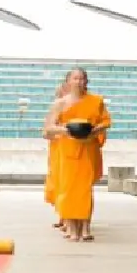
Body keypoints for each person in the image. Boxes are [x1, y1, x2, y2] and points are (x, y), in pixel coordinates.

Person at [45, 67, 111, 242]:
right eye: (75, 78)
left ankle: (85, 228)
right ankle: (72, 229)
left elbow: (105, 122)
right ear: (68, 81)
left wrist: (93, 131)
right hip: (67, 151)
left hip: (88, 150)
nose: (79, 82)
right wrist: (66, 130)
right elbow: (47, 130)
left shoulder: (96, 101)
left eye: (82, 79)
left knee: (84, 191)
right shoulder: (60, 103)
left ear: (86, 82)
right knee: (68, 190)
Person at [43, 81, 67, 231]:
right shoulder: (55, 110)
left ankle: (68, 218)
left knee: (66, 184)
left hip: (70, 150)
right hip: (57, 151)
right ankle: (63, 216)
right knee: (59, 184)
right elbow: (45, 132)